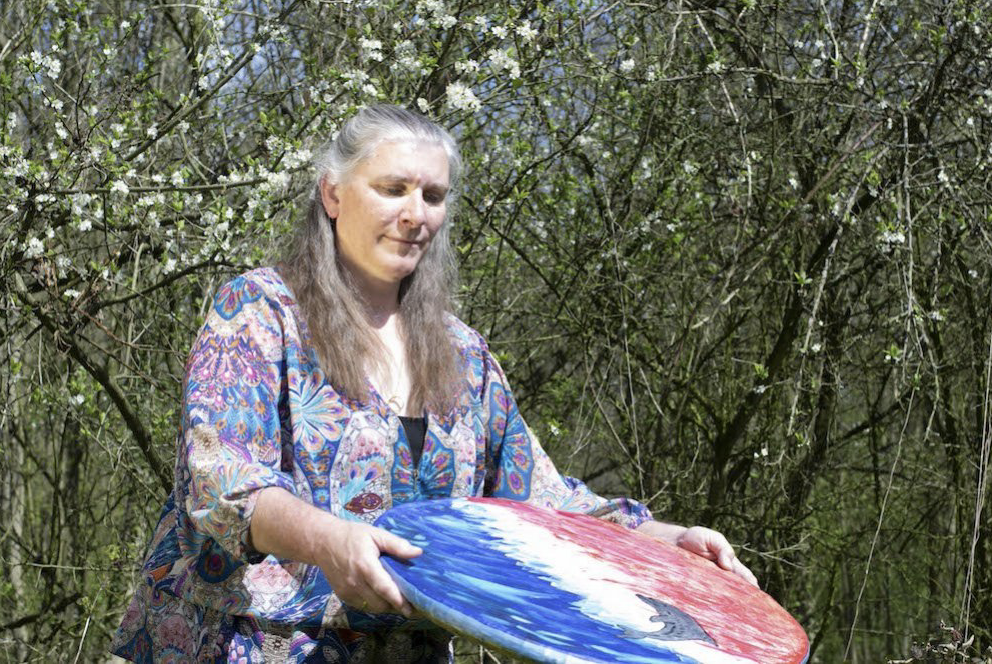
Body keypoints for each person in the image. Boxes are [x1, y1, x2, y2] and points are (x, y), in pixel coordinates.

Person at [111, 104, 756, 663]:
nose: (415, 214)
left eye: (433, 196)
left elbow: (540, 502)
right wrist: (328, 540)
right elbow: (221, 478)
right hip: (250, 643)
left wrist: (662, 543)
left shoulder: (463, 353)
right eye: (392, 189)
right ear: (333, 194)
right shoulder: (260, 313)